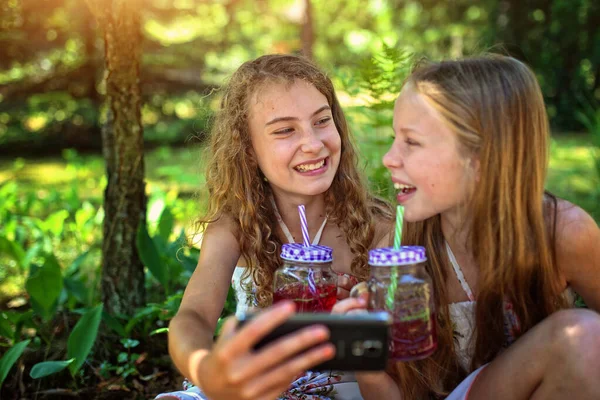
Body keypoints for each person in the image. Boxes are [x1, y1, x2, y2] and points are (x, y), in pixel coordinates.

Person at [334, 54, 600, 399]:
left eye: (411, 142)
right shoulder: (402, 256)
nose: (389, 158)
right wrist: (367, 360)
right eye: (394, 138)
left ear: (480, 157)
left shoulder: (562, 233)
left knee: (583, 338)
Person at [155, 54, 393, 400]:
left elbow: (405, 347)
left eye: (322, 121)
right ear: (248, 150)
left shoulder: (378, 227)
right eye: (285, 130)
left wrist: (365, 311)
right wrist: (206, 368)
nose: (312, 143)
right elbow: (192, 317)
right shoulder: (233, 228)